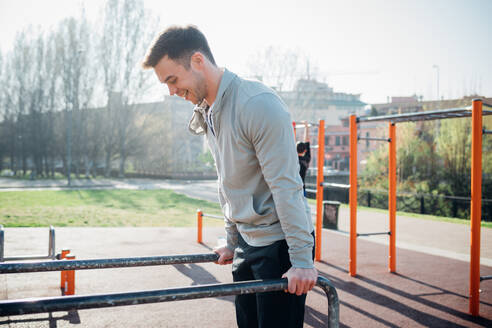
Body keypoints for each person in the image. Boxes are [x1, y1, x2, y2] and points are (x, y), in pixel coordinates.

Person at [142, 25, 317, 328]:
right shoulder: (209, 109)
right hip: (247, 243)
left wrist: (301, 260)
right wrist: (232, 240)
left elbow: (287, 187)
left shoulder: (256, 104)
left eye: (173, 80)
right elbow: (229, 182)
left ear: (198, 61)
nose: (171, 91)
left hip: (279, 246)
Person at [297, 121, 311, 194]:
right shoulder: (306, 159)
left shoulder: (293, 158)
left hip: (291, 187)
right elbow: (307, 141)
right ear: (305, 150)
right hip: (302, 187)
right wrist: (306, 127)